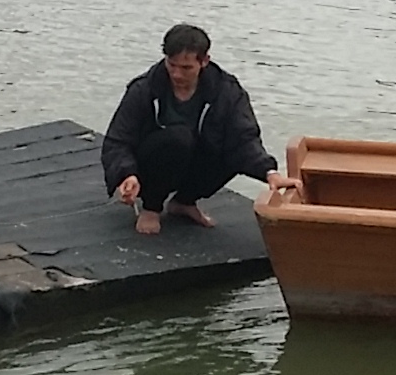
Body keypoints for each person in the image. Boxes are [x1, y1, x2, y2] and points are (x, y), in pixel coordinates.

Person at [103, 24, 275, 235]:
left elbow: (244, 137)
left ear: (204, 61)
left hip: (196, 161)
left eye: (186, 68)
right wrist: (126, 174)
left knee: (231, 150)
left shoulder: (227, 91)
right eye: (171, 65)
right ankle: (152, 207)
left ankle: (184, 201)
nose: (176, 74)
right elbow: (117, 140)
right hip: (151, 163)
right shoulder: (144, 89)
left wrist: (269, 172)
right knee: (178, 138)